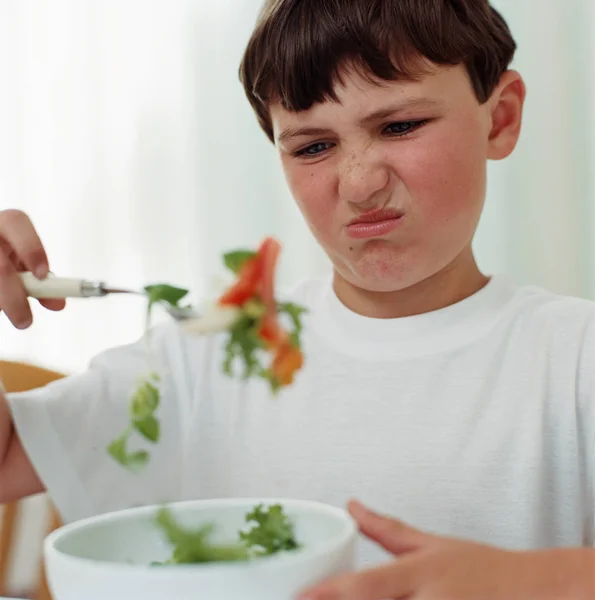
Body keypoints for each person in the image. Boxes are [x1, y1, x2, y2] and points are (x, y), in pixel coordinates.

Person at [0, 0, 594, 598]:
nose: (360, 183)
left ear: (501, 119)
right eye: (313, 147)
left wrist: (530, 578)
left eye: (400, 126)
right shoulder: (203, 356)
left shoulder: (574, 360)